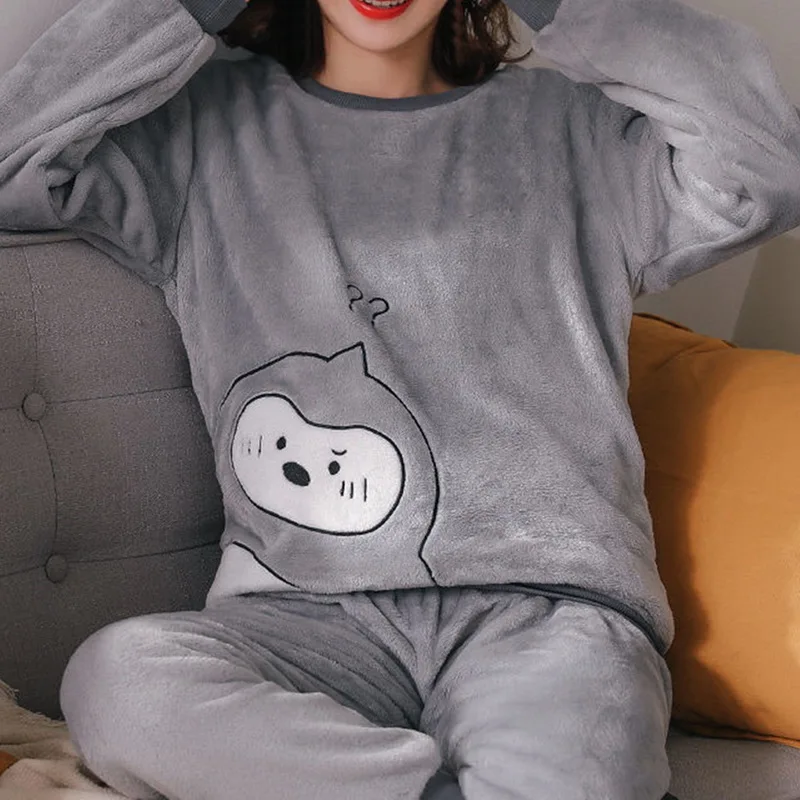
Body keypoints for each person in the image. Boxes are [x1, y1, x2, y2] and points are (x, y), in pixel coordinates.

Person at [1, 0, 798, 797]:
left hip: (549, 613)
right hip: (299, 618)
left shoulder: (578, 129)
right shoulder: (198, 130)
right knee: (119, 681)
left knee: (578, 765)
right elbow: (14, 159)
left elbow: (768, 166)